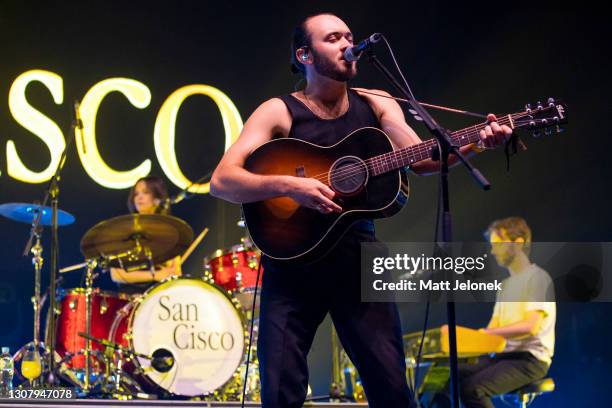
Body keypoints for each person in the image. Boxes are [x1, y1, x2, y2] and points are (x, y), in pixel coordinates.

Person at [210, 13, 512, 408]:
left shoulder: (378, 103)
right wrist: (289, 185)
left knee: (390, 388)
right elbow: (223, 180)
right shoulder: (279, 110)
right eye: (332, 38)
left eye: (348, 36)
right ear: (305, 54)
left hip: (358, 258)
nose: (345, 44)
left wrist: (477, 143)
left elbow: (423, 159)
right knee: (281, 391)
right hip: (291, 267)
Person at [458, 217, 556, 408]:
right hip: (504, 356)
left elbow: (531, 326)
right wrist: (461, 344)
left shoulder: (537, 278)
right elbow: (493, 327)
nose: (493, 251)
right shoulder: (505, 286)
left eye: (497, 244)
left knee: (472, 389)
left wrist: (487, 334)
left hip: (529, 360)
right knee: (450, 373)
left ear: (518, 243)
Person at [110, 176, 182, 295]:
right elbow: (116, 274)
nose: (139, 197)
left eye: (145, 192)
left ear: (157, 198)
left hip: (160, 297)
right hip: (130, 298)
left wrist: (171, 272)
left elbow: (176, 272)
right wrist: (154, 275)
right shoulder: (125, 231)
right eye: (136, 194)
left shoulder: (168, 233)